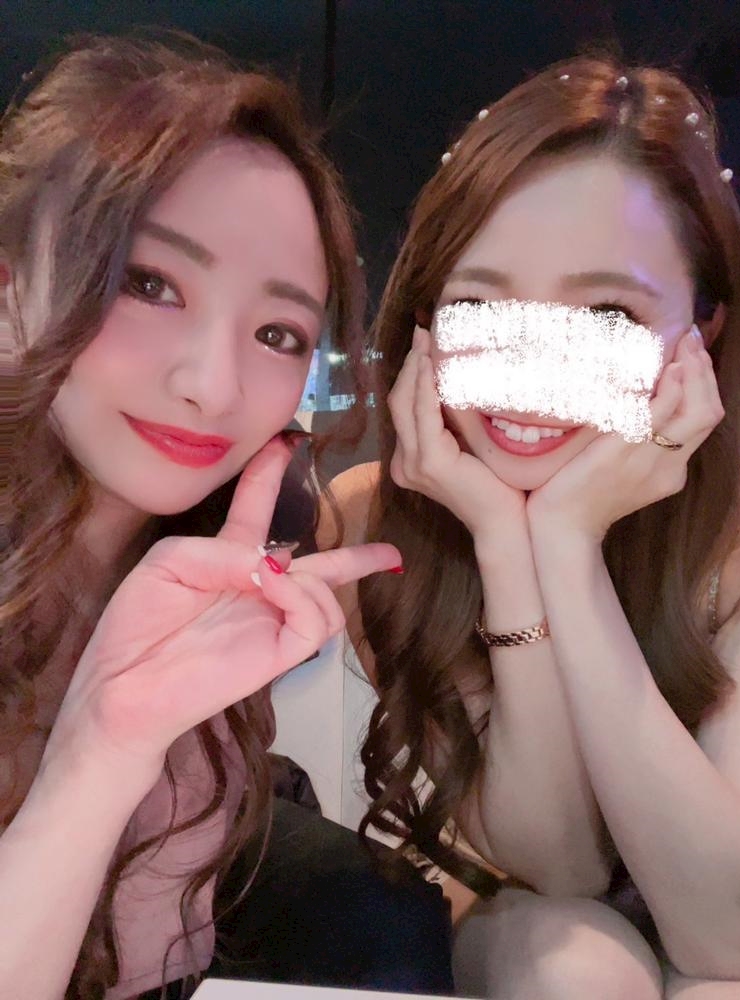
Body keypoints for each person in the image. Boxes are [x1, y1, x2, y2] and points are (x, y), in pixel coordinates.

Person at [0, 33, 455, 1000]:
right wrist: (100, 752)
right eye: (149, 283)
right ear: (9, 286)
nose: (213, 386)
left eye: (278, 333)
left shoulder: (243, 540)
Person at [323, 56, 740, 999]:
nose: (532, 369)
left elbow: (728, 936)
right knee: (579, 968)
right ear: (428, 321)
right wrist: (508, 546)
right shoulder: (378, 521)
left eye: (607, 312)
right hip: (516, 922)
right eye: (481, 304)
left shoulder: (736, 540)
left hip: (715, 934)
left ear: (703, 328)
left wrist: (569, 545)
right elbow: (558, 868)